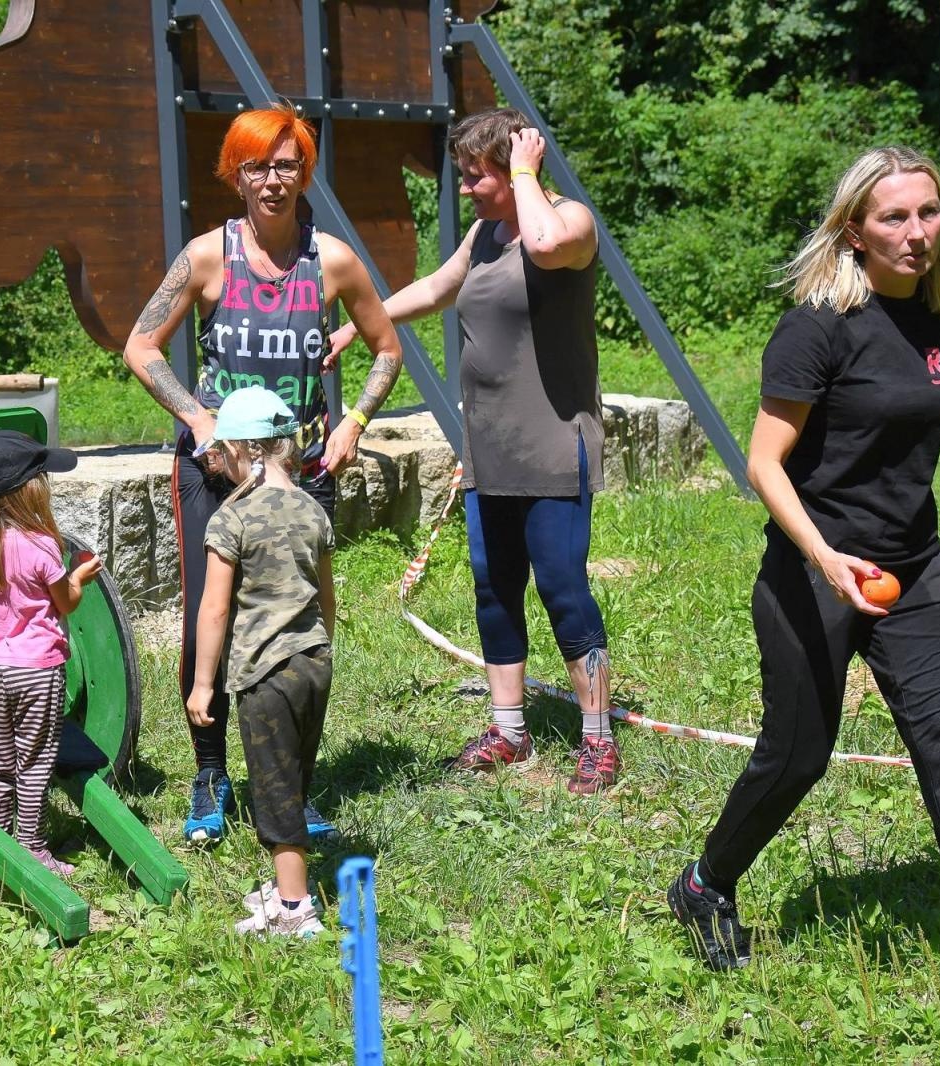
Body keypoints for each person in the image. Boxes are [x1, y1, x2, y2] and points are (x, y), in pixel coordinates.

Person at [663, 146, 940, 1014]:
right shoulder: (818, 326)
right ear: (854, 228)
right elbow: (764, 464)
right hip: (813, 569)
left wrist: (891, 551)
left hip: (914, 570)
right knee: (797, 757)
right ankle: (704, 884)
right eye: (894, 217)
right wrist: (828, 558)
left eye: (928, 214)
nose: (916, 233)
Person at [122, 104, 401, 845]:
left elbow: (387, 349)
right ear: (236, 174)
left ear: (304, 172)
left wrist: (353, 423)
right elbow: (141, 347)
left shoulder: (331, 261)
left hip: (301, 478)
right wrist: (200, 419)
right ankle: (211, 772)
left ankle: (293, 784)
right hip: (212, 479)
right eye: (258, 166)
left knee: (303, 631)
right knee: (204, 623)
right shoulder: (208, 257)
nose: (273, 180)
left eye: (287, 165)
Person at [326, 108, 616, 795]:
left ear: (518, 164)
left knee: (563, 589)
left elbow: (543, 247)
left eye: (474, 175)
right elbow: (438, 288)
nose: (465, 190)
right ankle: (509, 729)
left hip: (552, 444)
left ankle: (599, 741)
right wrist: (361, 326)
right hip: (490, 448)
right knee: (494, 589)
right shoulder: (486, 235)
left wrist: (522, 172)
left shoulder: (569, 225)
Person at [185, 387, 335, 936]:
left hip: (265, 673)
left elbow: (215, 607)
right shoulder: (312, 509)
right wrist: (323, 646)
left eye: (220, 452)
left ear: (244, 451)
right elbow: (327, 596)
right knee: (295, 772)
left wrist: (204, 685)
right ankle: (284, 885)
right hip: (315, 662)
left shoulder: (232, 519)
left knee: (271, 788)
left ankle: (295, 910)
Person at [0, 429, 102, 877]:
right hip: (38, 670)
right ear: (30, 491)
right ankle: (31, 847)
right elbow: (65, 603)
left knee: (1, 762)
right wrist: (80, 578)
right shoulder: (42, 545)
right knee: (36, 763)